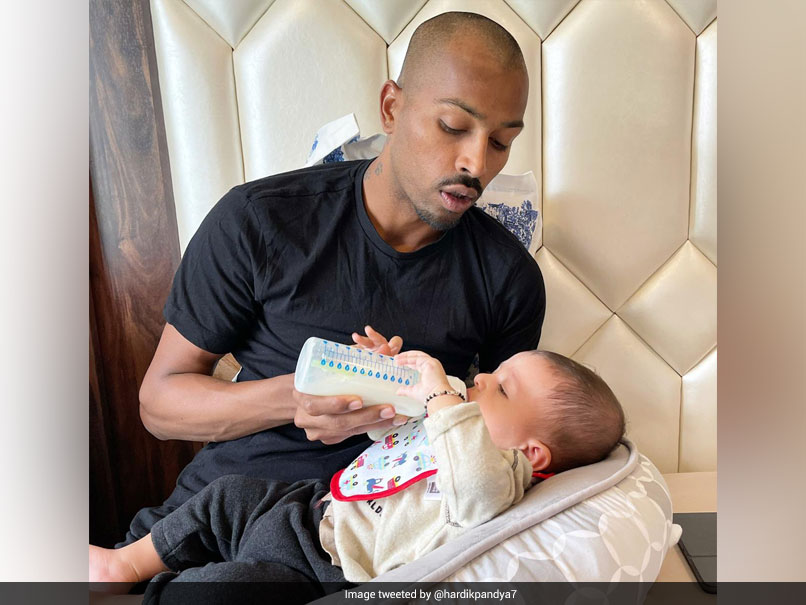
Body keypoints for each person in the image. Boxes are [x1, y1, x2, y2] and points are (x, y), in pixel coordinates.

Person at [121, 12, 545, 547]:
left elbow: (506, 441)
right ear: (392, 107)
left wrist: (423, 400)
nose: (476, 163)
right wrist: (294, 397)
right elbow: (159, 406)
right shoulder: (261, 219)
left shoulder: (510, 279)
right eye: (454, 127)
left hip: (373, 546)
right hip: (210, 527)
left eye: (502, 141)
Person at [91, 349, 624, 594]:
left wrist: (441, 397)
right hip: (307, 509)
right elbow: (386, 447)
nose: (481, 378)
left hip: (325, 570)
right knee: (225, 496)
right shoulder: (451, 425)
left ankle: (165, 589)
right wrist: (384, 387)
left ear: (533, 455)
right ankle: (127, 565)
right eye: (495, 368)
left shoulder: (496, 469)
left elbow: (474, 490)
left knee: (227, 591)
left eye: (503, 387)